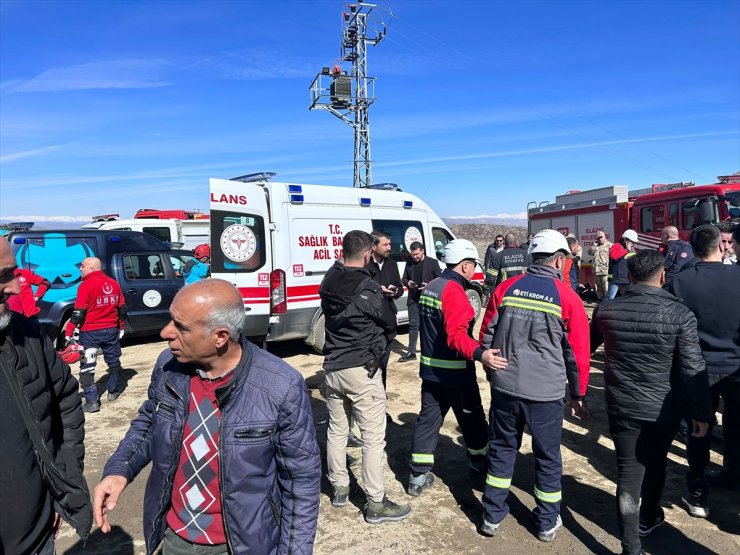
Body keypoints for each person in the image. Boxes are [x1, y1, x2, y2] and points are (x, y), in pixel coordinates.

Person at [92, 279, 321, 553]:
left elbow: (301, 483)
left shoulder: (281, 386)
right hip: (175, 538)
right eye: (170, 321)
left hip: (241, 545)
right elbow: (149, 422)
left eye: (181, 327)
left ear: (220, 336)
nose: (165, 333)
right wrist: (120, 469)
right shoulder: (168, 367)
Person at [590, 249, 711, 555]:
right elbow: (692, 368)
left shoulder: (607, 310)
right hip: (663, 409)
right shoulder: (680, 314)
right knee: (655, 463)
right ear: (662, 276)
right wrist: (702, 413)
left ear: (629, 278)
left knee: (628, 472)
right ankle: (648, 516)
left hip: (622, 405)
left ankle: (631, 546)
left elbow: (586, 346)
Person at [478, 229, 590, 542]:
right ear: (558, 260)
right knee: (548, 456)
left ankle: (491, 515)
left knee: (501, 450)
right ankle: (545, 522)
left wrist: (490, 368)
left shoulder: (506, 288)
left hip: (505, 387)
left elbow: (486, 335)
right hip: (545, 394)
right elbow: (578, 354)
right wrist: (578, 395)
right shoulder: (568, 298)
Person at [0, 238, 92, 554]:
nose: (14, 287)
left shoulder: (27, 334)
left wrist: (62, 483)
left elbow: (65, 398)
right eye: (3, 276)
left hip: (36, 538)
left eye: (13, 273)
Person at [320, 230, 411, 524]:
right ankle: (375, 503)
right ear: (366, 254)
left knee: (336, 431)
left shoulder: (328, 279)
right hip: (361, 369)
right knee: (373, 439)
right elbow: (388, 322)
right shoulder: (367, 288)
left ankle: (339, 488)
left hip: (332, 368)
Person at [407, 239, 507, 497]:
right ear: (464, 265)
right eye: (473, 264)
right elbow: (456, 336)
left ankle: (417, 475)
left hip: (430, 371)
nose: (474, 269)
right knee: (472, 418)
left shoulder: (433, 286)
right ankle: (479, 462)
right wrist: (481, 353)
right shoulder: (454, 292)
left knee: (428, 420)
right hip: (455, 373)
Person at [668, 225, 740, 512]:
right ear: (721, 246)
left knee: (699, 428)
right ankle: (733, 475)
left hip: (698, 369)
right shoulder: (737, 276)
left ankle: (697, 490)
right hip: (736, 367)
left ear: (693, 249)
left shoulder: (681, 282)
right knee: (736, 426)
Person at [64, 257, 126, 413]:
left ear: (91, 268)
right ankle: (112, 391)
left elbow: (78, 314)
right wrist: (121, 327)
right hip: (111, 330)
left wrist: (69, 330)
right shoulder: (113, 283)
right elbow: (122, 309)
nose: (80, 268)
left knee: (88, 365)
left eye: (83, 266)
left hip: (90, 332)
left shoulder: (85, 286)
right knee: (113, 360)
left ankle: (92, 402)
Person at [367, 231, 404, 390]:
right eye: (385, 244)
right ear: (373, 246)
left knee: (384, 361)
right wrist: (377, 290)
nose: (389, 247)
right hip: (370, 321)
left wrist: (395, 291)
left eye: (390, 244)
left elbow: (400, 288)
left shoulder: (392, 264)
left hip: (388, 320)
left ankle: (381, 391)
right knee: (369, 360)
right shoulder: (364, 264)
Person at [400, 241, 441, 362]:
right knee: (413, 325)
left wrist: (429, 285)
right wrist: (408, 283)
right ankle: (411, 351)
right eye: (412, 254)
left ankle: (429, 350)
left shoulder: (432, 263)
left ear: (422, 251)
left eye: (416, 254)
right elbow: (404, 278)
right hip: (413, 299)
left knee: (427, 326)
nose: (415, 257)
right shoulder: (409, 262)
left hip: (427, 299)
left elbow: (439, 279)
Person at [606, 229, 638, 299]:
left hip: (627, 278)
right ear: (626, 240)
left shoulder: (632, 249)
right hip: (615, 278)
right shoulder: (616, 246)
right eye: (632, 242)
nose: (633, 244)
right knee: (610, 297)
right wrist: (626, 250)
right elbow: (614, 256)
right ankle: (605, 308)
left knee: (628, 297)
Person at [588, 230, 611, 300]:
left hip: (605, 270)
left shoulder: (609, 245)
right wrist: (593, 246)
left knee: (606, 287)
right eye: (598, 238)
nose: (600, 239)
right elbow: (589, 253)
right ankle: (600, 300)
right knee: (598, 288)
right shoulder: (596, 246)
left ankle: (608, 301)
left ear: (605, 237)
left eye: (601, 237)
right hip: (596, 270)